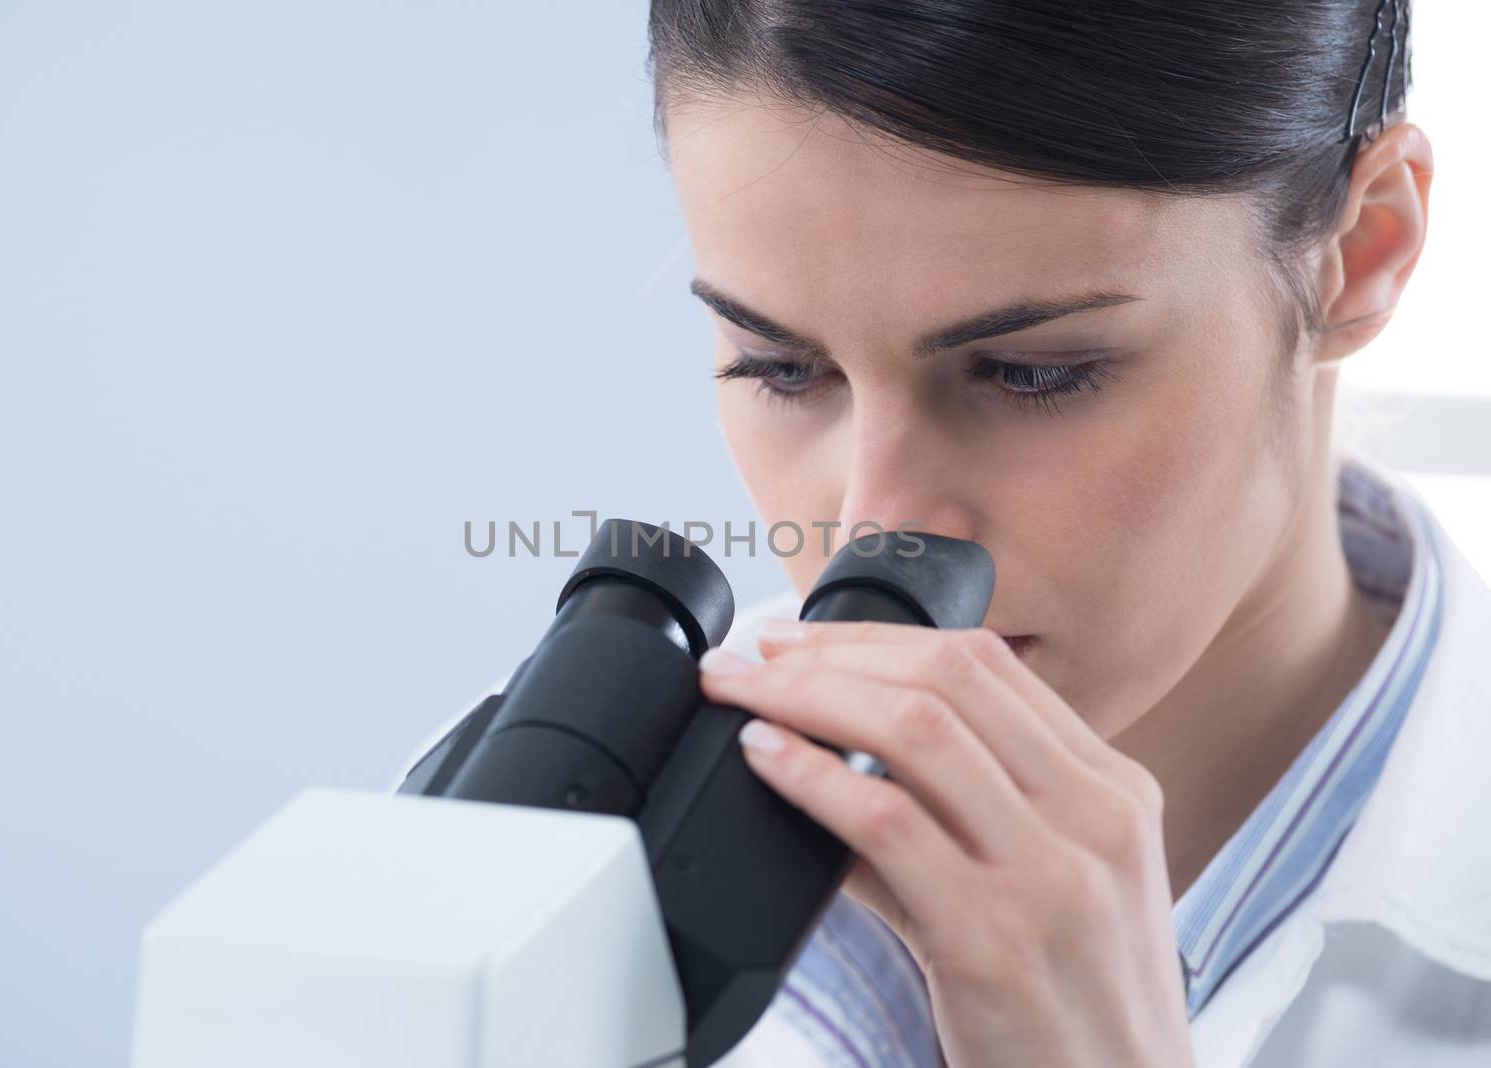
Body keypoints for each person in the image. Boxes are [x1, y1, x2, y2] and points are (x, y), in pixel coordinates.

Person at [401, 1, 1491, 1063]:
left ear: (1363, 248)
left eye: (1031, 374)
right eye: (780, 368)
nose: (873, 527)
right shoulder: (514, 849)